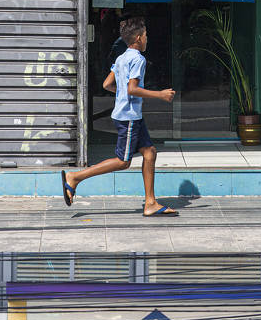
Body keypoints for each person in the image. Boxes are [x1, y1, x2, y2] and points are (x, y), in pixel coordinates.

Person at [63, 17, 179, 217]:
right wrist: (160, 94)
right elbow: (133, 89)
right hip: (129, 118)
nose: (147, 39)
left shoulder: (121, 58)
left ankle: (150, 202)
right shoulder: (138, 59)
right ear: (139, 38)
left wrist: (123, 93)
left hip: (129, 115)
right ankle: (75, 177)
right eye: (146, 35)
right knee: (123, 161)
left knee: (149, 152)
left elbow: (107, 85)